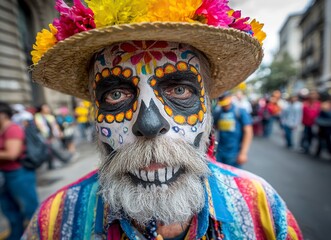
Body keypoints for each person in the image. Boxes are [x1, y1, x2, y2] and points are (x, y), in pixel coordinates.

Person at [24, 0, 302, 239]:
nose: (149, 124)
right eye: (116, 94)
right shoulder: (54, 222)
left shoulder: (263, 209)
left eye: (179, 90)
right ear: (95, 114)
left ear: (207, 107)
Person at [0, 101, 39, 240]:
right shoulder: (3, 130)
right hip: (7, 174)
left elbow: (12, 153)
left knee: (30, 208)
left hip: (19, 173)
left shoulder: (12, 129)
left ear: (3, 115)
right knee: (10, 210)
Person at [213, 92, 253, 167]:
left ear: (230, 98)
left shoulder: (240, 111)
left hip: (235, 153)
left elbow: (248, 132)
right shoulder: (218, 112)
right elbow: (214, 128)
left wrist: (243, 153)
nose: (224, 106)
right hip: (220, 152)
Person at [34, 104, 72, 169]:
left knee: (56, 147)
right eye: (45, 107)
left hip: (53, 135)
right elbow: (40, 126)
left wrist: (59, 132)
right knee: (50, 150)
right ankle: (55, 162)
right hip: (45, 136)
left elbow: (55, 125)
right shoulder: (38, 116)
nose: (47, 109)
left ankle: (63, 159)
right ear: (41, 109)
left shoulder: (50, 116)